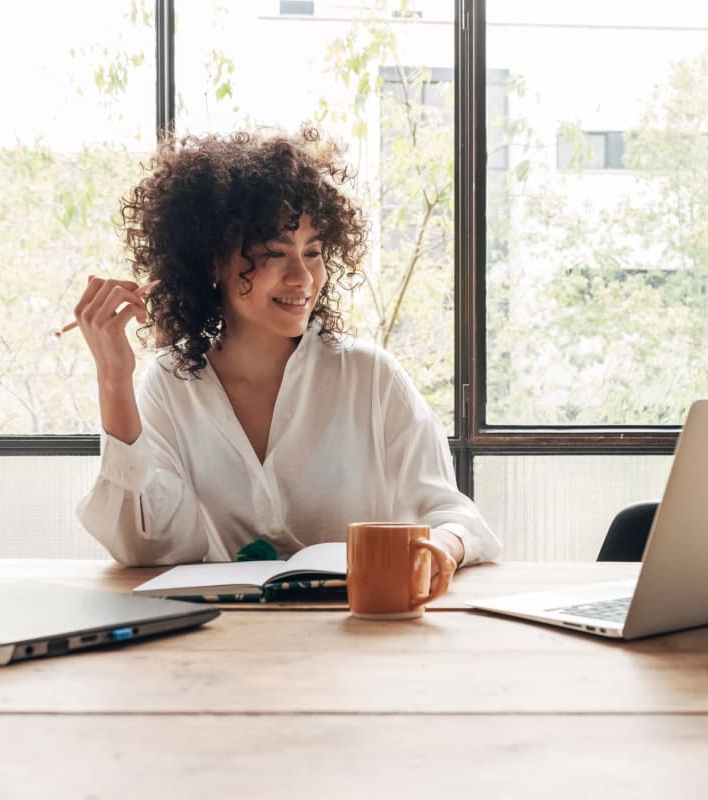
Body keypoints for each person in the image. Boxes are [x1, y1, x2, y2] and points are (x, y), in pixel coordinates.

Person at [75, 127, 502, 586]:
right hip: (221, 640)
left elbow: (456, 517)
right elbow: (146, 548)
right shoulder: (168, 383)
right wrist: (113, 380)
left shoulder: (369, 376)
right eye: (273, 253)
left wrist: (441, 547)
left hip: (360, 639)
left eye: (313, 252)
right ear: (211, 262)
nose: (303, 278)